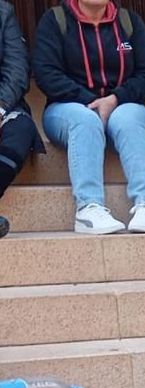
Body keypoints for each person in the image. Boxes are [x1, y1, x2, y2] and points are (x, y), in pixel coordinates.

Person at [31, 0, 145, 235]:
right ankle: (88, 208)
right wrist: (90, 101)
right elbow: (46, 73)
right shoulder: (55, 20)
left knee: (131, 119)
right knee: (85, 120)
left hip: (121, 105)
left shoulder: (129, 22)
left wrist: (115, 98)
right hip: (67, 107)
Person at [0, 0, 43, 239]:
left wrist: (0, 107)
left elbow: (17, 69)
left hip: (3, 104)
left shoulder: (2, 12)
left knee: (21, 129)